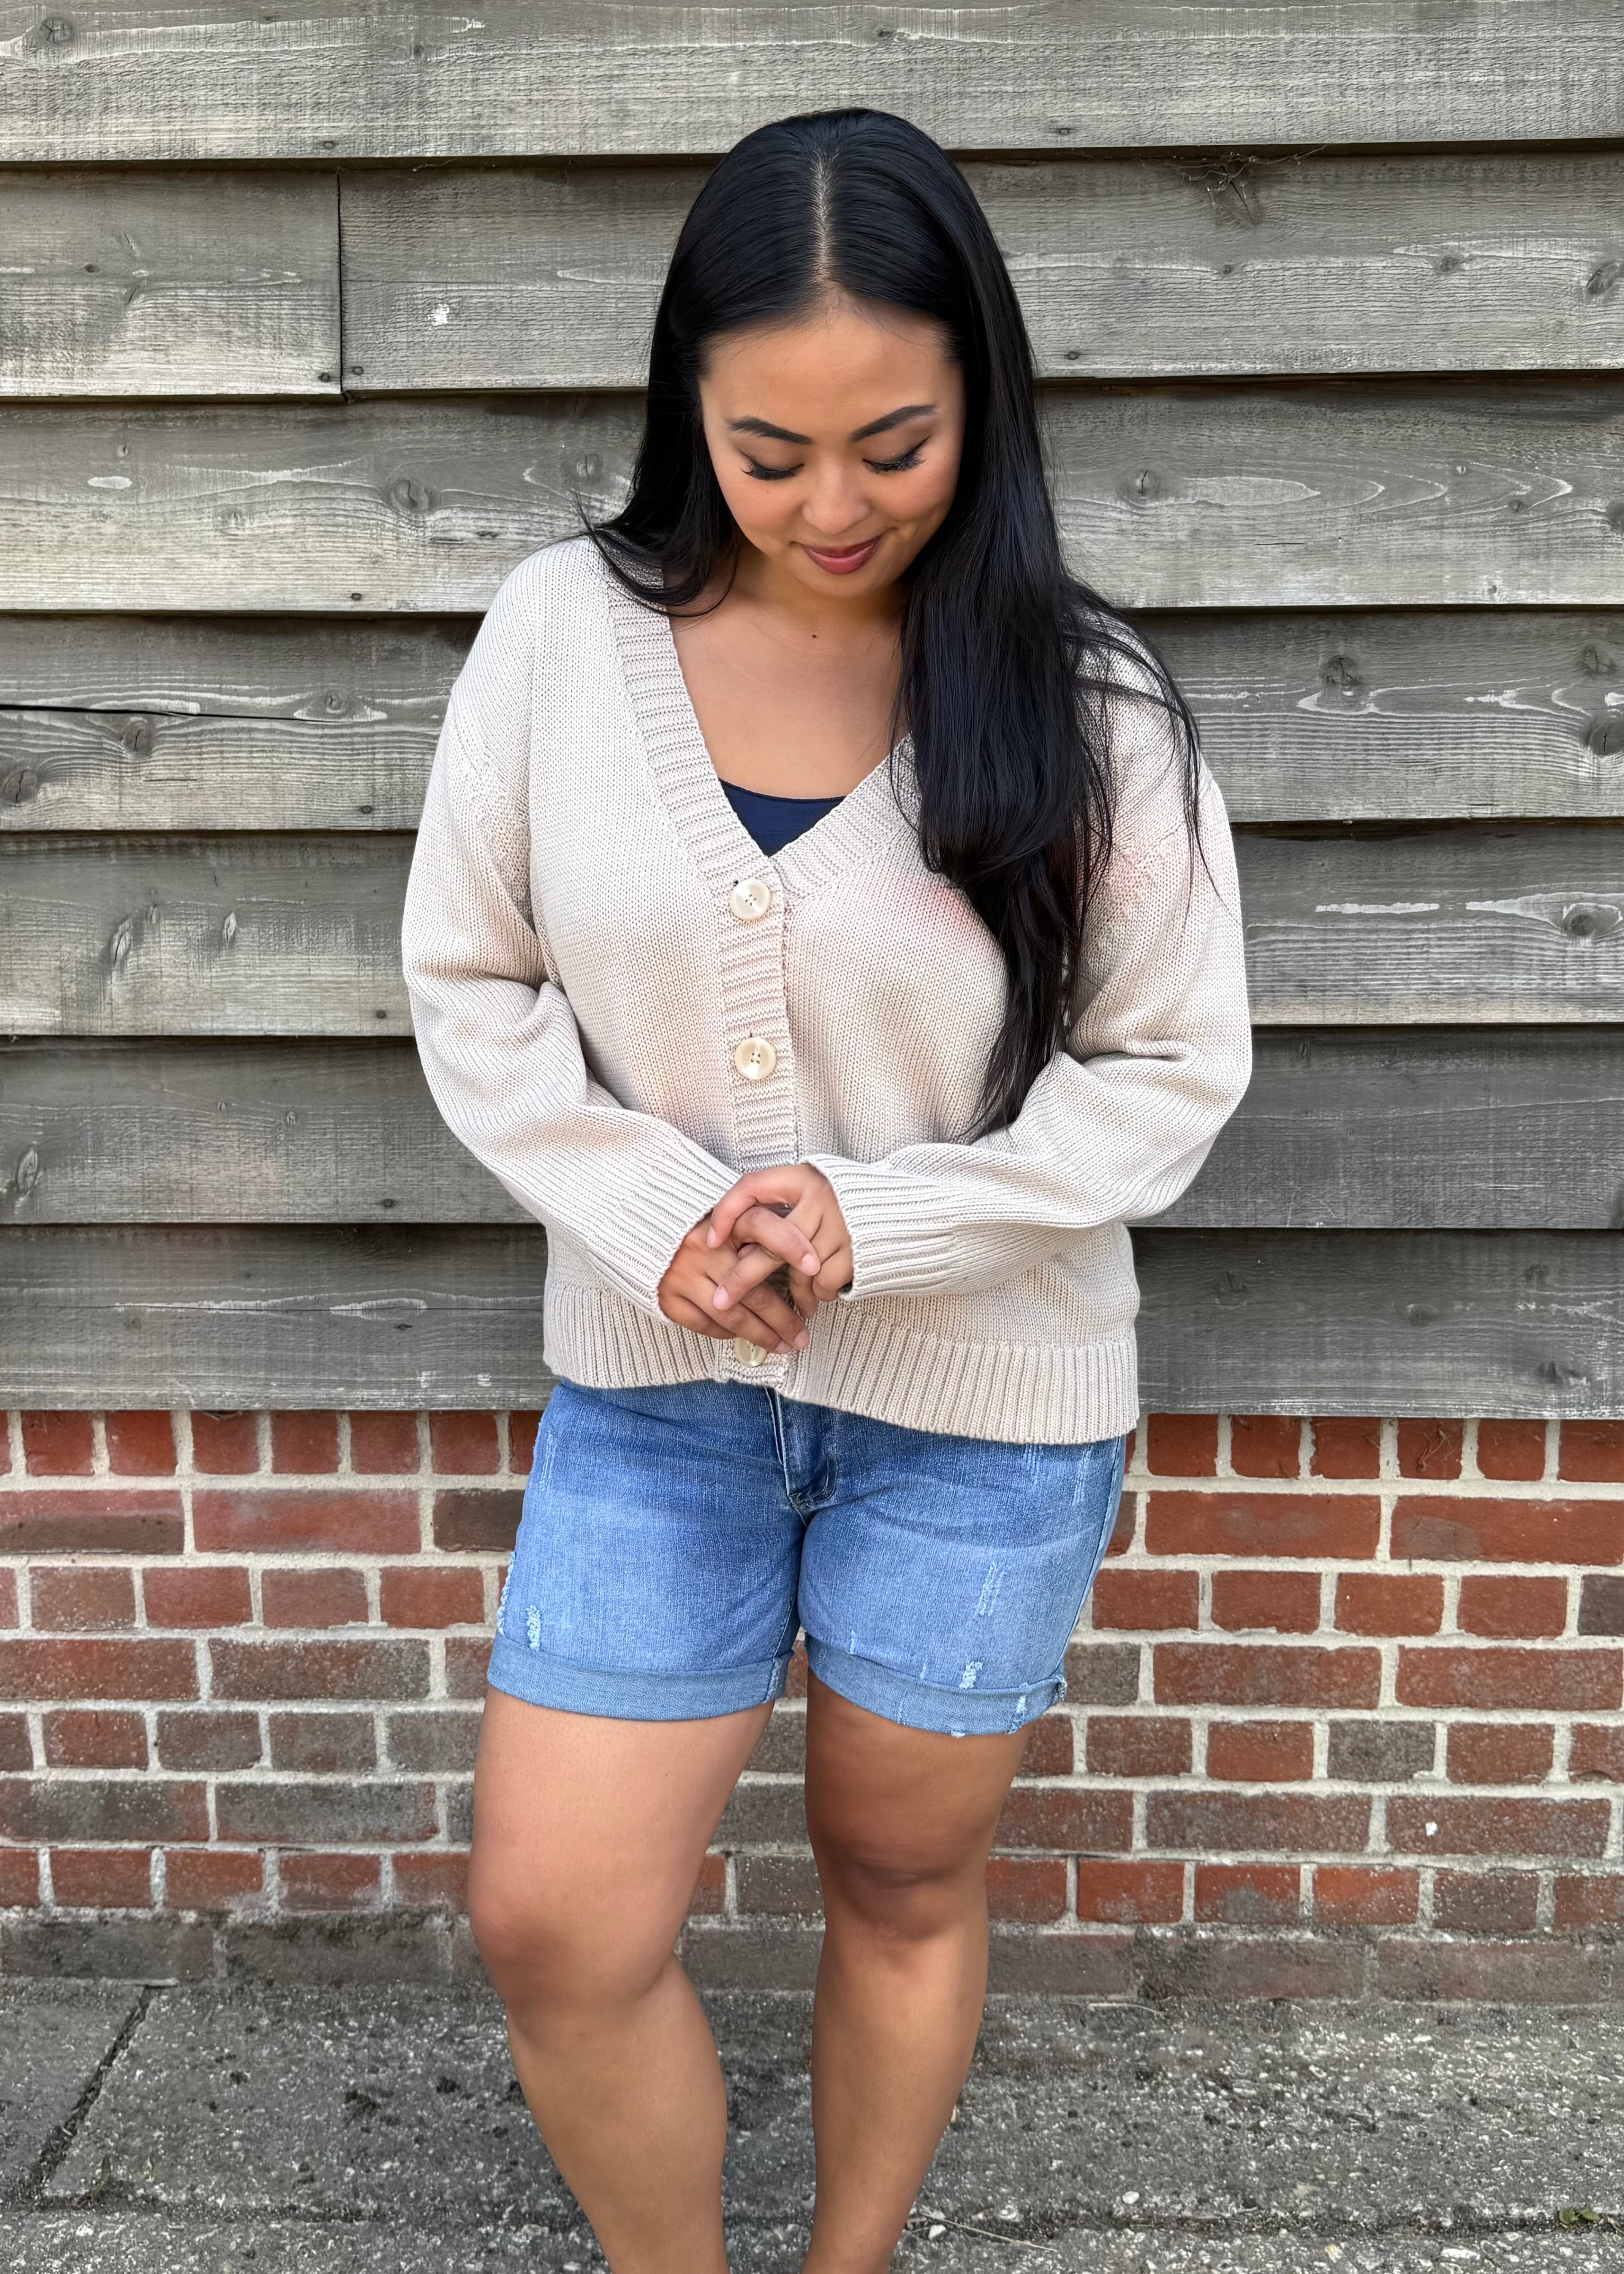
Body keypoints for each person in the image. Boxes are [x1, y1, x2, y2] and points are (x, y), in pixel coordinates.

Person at [401, 106, 1251, 2274]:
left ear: (985, 396)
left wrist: (882, 1223)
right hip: (654, 1395)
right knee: (555, 1919)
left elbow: (1169, 1072)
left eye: (896, 439)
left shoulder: (1088, 712)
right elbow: (469, 979)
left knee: (898, 1881)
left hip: (985, 1409)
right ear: (690, 404)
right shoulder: (555, 640)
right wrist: (646, 1205)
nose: (836, 503)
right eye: (771, 452)